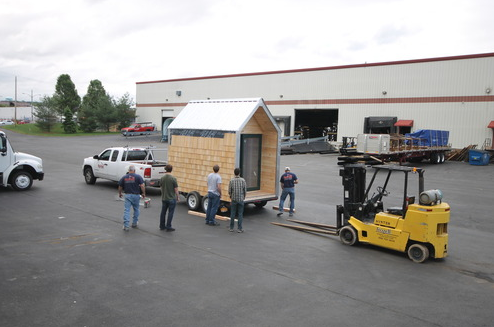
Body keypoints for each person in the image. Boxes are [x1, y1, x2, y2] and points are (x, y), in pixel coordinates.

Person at [118, 165, 146, 231]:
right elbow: (142, 185)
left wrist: (120, 193)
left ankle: (126, 225)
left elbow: (120, 186)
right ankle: (134, 223)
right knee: (136, 209)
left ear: (128, 170)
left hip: (127, 195)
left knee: (127, 210)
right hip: (136, 195)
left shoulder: (124, 177)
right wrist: (143, 193)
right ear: (134, 170)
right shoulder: (138, 177)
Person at [159, 164, 179, 232]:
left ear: (165, 169)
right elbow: (176, 189)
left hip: (164, 197)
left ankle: (162, 225)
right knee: (170, 212)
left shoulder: (162, 178)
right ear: (171, 170)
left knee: (163, 212)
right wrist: (178, 196)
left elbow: (161, 187)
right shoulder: (173, 178)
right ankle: (168, 226)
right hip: (171, 198)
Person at [228, 167, 247, 233]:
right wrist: (244, 197)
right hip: (240, 199)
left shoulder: (231, 181)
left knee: (232, 213)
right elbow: (245, 190)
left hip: (233, 199)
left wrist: (231, 197)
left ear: (234, 173)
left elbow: (229, 191)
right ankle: (239, 228)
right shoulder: (243, 180)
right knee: (240, 214)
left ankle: (231, 227)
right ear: (239, 173)